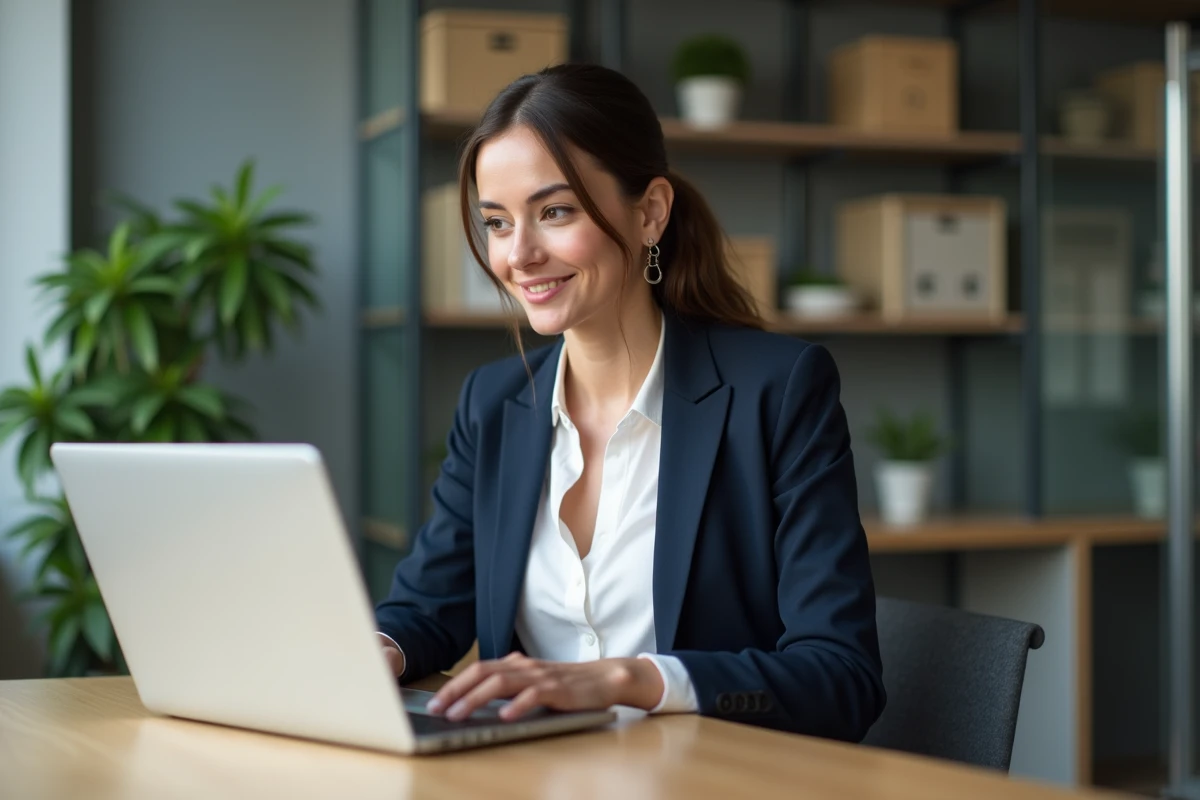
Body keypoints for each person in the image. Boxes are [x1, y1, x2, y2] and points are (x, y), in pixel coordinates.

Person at [374, 62, 885, 741]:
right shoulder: (492, 403)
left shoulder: (779, 389)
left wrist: (632, 679)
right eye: (497, 222)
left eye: (554, 212)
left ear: (649, 213)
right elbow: (430, 608)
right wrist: (377, 651)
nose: (519, 255)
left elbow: (841, 675)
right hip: (527, 779)